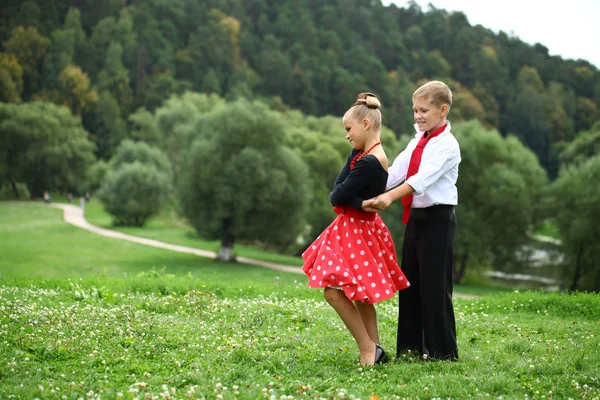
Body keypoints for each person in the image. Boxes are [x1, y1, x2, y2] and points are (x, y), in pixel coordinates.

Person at [301, 92, 411, 366]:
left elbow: (337, 196)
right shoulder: (363, 154)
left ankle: (367, 349)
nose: (347, 136)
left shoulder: (370, 162)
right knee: (361, 295)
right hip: (357, 227)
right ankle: (376, 351)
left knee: (333, 292)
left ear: (365, 124)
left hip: (356, 231)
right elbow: (338, 189)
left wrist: (354, 202)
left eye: (349, 129)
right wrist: (360, 202)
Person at [364, 80, 461, 361]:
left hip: (439, 220)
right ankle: (410, 349)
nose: (418, 116)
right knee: (410, 284)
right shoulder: (417, 140)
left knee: (434, 287)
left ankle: (443, 352)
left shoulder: (448, 145)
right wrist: (368, 190)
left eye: (424, 110)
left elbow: (421, 180)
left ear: (443, 110)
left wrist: (389, 198)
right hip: (416, 219)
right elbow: (396, 172)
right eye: (415, 110)